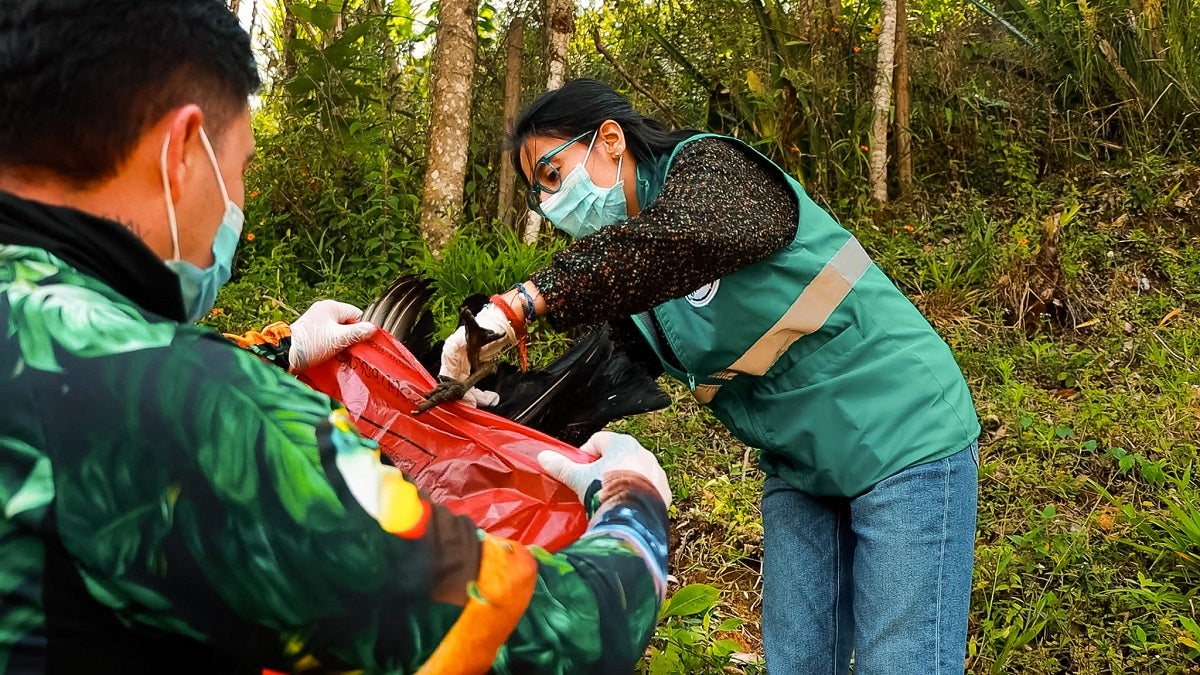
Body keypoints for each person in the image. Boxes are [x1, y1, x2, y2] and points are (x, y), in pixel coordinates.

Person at [0, 5, 672, 674]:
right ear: (181, 151)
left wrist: (282, 350)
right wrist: (632, 503)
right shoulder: (196, 413)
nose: (238, 203)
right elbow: (556, 633)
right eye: (241, 168)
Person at [442, 79, 982, 674]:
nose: (550, 202)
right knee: (796, 662)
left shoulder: (710, 172)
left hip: (901, 428)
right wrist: (481, 408)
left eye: (552, 174)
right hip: (801, 461)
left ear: (610, 139)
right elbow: (594, 376)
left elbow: (687, 236)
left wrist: (522, 302)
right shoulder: (636, 278)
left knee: (902, 662)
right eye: (537, 193)